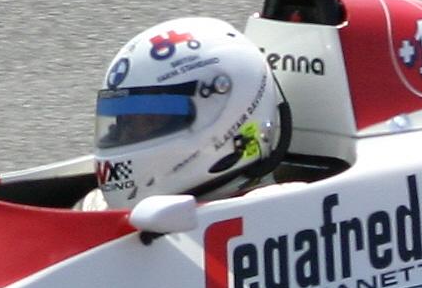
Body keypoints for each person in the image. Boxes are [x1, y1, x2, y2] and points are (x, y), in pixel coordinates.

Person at [85, 16, 288, 210]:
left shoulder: (279, 214)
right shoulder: (93, 208)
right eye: (125, 122)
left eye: (150, 119)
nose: (126, 134)